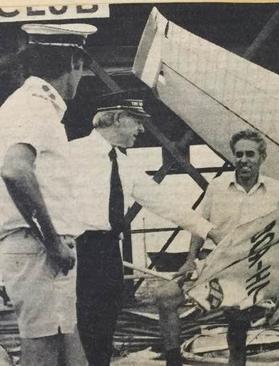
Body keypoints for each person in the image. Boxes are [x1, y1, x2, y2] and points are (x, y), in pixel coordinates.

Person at [69, 97, 224, 365]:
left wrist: (209, 231)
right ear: (118, 118)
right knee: (80, 329)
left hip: (107, 253)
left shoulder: (123, 163)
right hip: (77, 250)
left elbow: (163, 202)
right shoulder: (71, 154)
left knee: (104, 327)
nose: (141, 130)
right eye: (136, 121)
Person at [156, 129, 279, 366]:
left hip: (251, 269)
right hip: (215, 263)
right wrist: (190, 259)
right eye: (238, 154)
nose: (243, 160)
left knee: (237, 316)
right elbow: (199, 226)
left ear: (261, 157)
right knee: (165, 297)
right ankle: (173, 362)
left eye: (250, 154)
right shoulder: (217, 187)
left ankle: (237, 361)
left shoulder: (278, 190)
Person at [0, 23, 97, 366]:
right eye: (83, 69)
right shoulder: (35, 106)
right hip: (40, 249)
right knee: (42, 354)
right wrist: (53, 240)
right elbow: (15, 169)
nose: (81, 77)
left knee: (69, 349)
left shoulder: (25, 105)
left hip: (40, 249)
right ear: (74, 61)